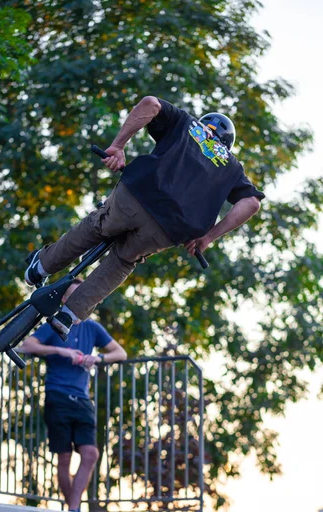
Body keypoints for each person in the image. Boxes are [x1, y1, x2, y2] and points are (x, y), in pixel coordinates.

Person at [25, 96, 264, 338]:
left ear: (204, 124)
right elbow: (251, 203)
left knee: (97, 226)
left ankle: (41, 267)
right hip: (170, 228)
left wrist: (118, 146)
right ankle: (70, 314)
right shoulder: (232, 167)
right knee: (123, 261)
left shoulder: (186, 122)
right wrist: (208, 237)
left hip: (139, 193)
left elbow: (151, 103)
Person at [19, 278, 127, 512]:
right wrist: (60, 350)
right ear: (64, 299)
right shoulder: (54, 324)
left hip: (81, 398)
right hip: (57, 395)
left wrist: (98, 358)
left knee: (90, 454)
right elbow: (27, 345)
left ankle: (73, 509)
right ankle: (74, 511)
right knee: (64, 458)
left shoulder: (92, 327)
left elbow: (121, 353)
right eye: (73, 295)